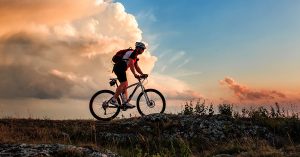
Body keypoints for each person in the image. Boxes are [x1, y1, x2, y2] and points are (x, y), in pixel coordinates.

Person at [110, 42, 147, 108]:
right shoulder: (133, 53)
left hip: (120, 68)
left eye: (143, 49)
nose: (143, 50)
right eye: (142, 49)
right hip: (119, 68)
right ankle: (113, 100)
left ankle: (125, 102)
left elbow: (137, 67)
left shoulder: (135, 56)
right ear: (138, 48)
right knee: (124, 83)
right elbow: (131, 63)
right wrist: (135, 74)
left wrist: (142, 74)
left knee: (125, 84)